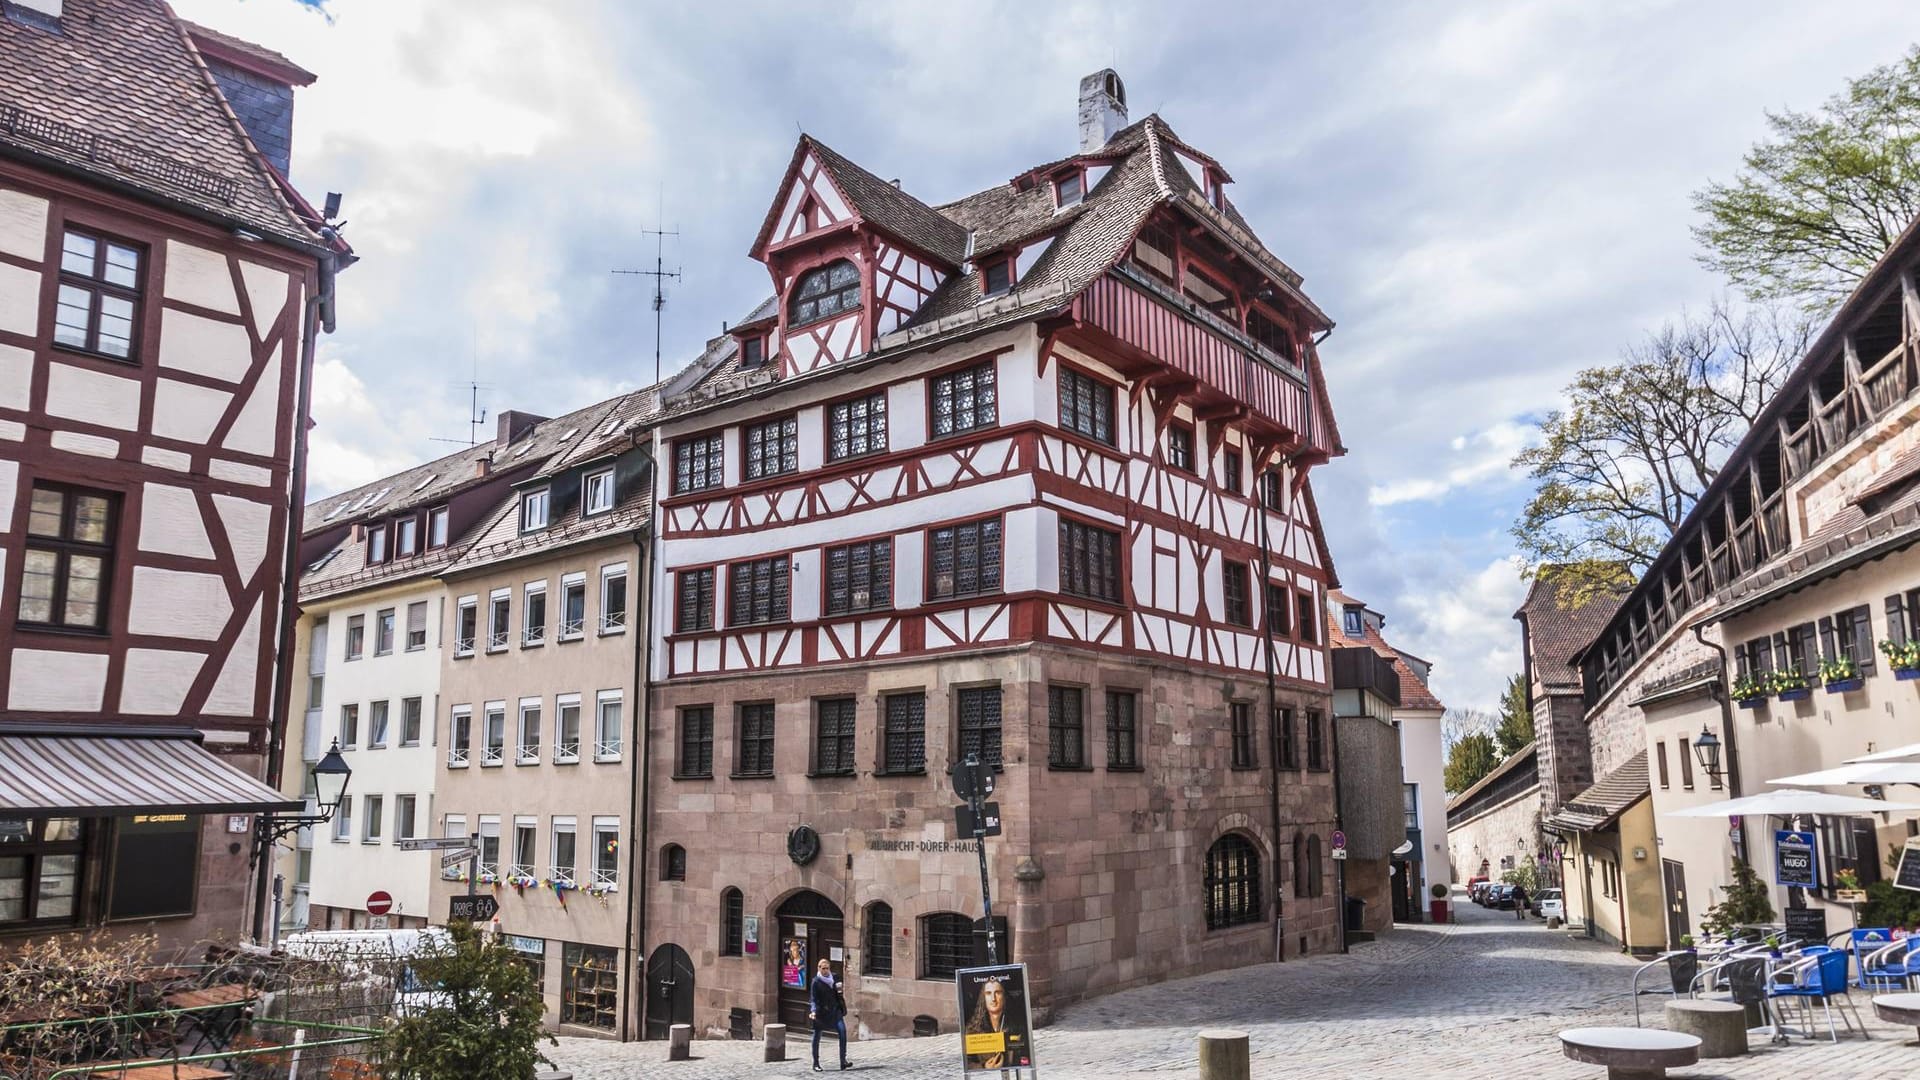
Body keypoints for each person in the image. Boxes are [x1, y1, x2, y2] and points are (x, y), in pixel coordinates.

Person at [964, 977, 1027, 1069]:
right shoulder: (973, 1029)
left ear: (1004, 997)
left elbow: (1024, 1056)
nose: (993, 999)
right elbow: (968, 1063)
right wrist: (984, 1066)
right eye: (988, 993)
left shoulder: (1017, 1026)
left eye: (998, 992)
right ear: (983, 997)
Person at [808, 957, 850, 1073]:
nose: (825, 971)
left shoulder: (835, 977)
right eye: (823, 968)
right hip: (821, 1012)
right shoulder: (816, 982)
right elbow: (813, 999)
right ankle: (816, 1063)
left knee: (842, 1031)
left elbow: (839, 992)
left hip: (835, 1011)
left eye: (827, 968)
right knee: (816, 1036)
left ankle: (843, 1060)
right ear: (819, 968)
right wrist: (813, 1011)